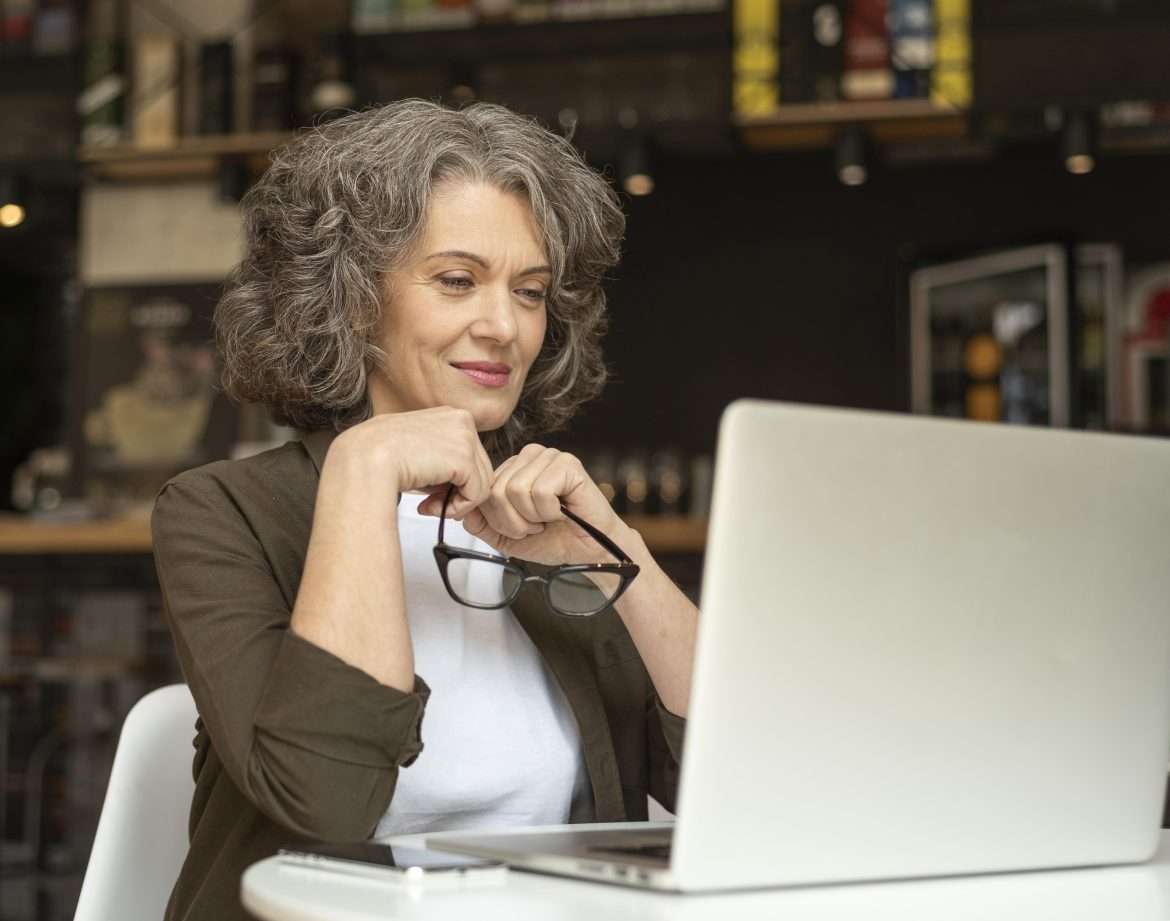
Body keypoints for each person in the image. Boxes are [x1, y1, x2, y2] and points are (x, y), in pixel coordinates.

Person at [151, 98, 698, 921]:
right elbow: (327, 798)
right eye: (456, 280)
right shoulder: (220, 512)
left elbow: (734, 779)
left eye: (530, 290)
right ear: (350, 297)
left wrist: (620, 553)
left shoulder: (545, 514)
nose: (504, 325)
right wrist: (363, 469)